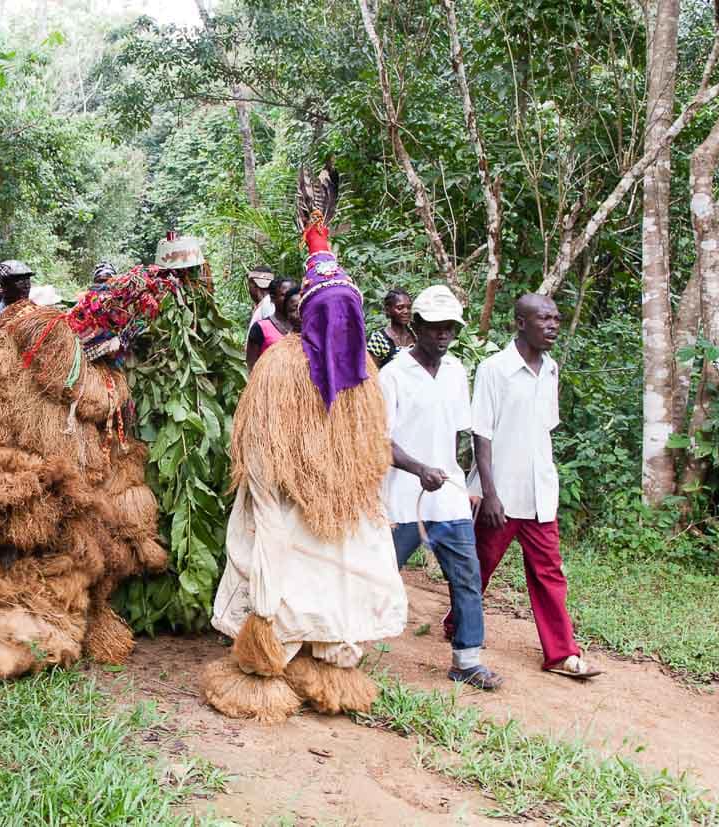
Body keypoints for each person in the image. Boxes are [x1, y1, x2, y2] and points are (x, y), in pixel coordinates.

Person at [204, 177, 407, 721]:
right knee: (285, 584)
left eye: (350, 313)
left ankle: (326, 660)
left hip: (337, 511)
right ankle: (271, 658)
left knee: (335, 583)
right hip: (287, 504)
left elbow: (370, 447)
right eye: (333, 313)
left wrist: (344, 490)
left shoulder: (364, 373)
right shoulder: (281, 366)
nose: (342, 325)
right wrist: (286, 493)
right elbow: (259, 444)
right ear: (312, 315)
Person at [471, 294, 600, 680]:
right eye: (544, 318)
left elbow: (542, 430)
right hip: (501, 492)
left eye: (557, 318)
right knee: (479, 566)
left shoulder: (552, 369)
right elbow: (482, 433)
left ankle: (561, 653)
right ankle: (458, 623)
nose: (553, 325)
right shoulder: (494, 369)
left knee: (549, 572)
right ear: (520, 323)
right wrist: (490, 493)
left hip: (540, 493)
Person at [380, 285, 502, 690]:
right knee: (379, 574)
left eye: (450, 328)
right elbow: (380, 440)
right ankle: (346, 647)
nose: (443, 336)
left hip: (446, 494)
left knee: (466, 575)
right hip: (401, 497)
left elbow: (460, 434)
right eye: (435, 328)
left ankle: (467, 660)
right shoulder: (393, 375)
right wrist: (417, 468)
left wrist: (465, 482)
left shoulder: (455, 372)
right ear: (415, 326)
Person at [245, 285, 300, 370]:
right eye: (294, 309)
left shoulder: (314, 336)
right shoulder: (260, 328)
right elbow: (251, 364)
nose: (298, 313)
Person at [368, 288, 415, 368]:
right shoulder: (379, 339)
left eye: (409, 307)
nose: (406, 311)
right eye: (400, 308)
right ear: (388, 310)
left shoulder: (415, 336)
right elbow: (372, 372)